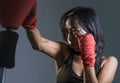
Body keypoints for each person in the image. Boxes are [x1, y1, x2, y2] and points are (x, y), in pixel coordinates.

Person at [22, 6, 118, 83]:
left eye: (74, 32)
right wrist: (30, 22)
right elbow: (39, 44)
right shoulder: (63, 51)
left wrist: (88, 56)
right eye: (67, 32)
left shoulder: (108, 62)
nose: (69, 39)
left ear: (90, 30)